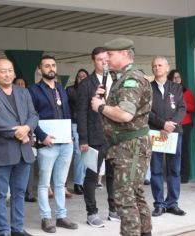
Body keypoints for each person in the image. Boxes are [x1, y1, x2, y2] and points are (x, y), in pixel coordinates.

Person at [91, 38, 153, 236]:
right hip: (128, 146)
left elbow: (125, 114)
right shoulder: (123, 78)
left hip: (130, 146)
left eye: (110, 54)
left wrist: (100, 107)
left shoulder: (130, 79)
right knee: (135, 194)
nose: (106, 59)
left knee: (125, 198)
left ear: (125, 54)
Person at [0, 58, 38, 236]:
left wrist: (27, 128)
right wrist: (17, 132)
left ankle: (17, 228)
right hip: (2, 151)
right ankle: (3, 231)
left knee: (19, 193)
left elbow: (33, 114)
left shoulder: (23, 92)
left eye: (10, 70)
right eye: (2, 71)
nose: (7, 74)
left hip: (23, 151)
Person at [28, 55, 78, 233]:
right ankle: (46, 218)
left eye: (53, 65)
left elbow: (67, 113)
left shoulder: (60, 89)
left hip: (65, 142)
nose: (51, 68)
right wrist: (42, 136)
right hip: (47, 143)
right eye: (47, 66)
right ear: (40, 70)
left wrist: (71, 136)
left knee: (60, 183)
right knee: (43, 183)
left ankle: (61, 216)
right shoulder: (33, 90)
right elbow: (31, 116)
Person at [76, 47, 118, 228]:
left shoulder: (117, 80)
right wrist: (83, 139)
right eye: (100, 59)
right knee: (92, 176)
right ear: (93, 61)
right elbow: (81, 113)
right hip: (94, 136)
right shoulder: (86, 84)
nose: (104, 62)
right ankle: (91, 212)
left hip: (115, 136)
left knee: (113, 174)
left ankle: (114, 209)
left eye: (106, 59)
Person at [149, 57, 186, 217]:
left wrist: (171, 124)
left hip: (174, 133)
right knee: (156, 170)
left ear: (167, 68)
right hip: (155, 133)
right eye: (154, 66)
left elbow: (182, 108)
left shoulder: (176, 87)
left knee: (174, 170)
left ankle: (172, 203)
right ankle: (159, 204)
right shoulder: (147, 88)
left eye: (159, 65)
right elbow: (146, 112)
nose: (156, 68)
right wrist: (163, 124)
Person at [168, 69, 195, 183]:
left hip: (185, 124)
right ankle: (172, 174)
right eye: (174, 77)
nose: (176, 79)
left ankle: (184, 176)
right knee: (170, 151)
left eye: (178, 77)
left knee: (183, 150)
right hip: (170, 124)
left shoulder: (187, 92)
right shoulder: (167, 91)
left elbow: (193, 108)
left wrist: (182, 101)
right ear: (170, 79)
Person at [66, 68, 89, 195]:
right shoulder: (71, 90)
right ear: (76, 78)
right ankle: (77, 183)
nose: (82, 78)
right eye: (79, 76)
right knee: (78, 153)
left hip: (87, 125)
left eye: (84, 76)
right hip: (74, 124)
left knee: (86, 154)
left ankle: (84, 181)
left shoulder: (92, 89)